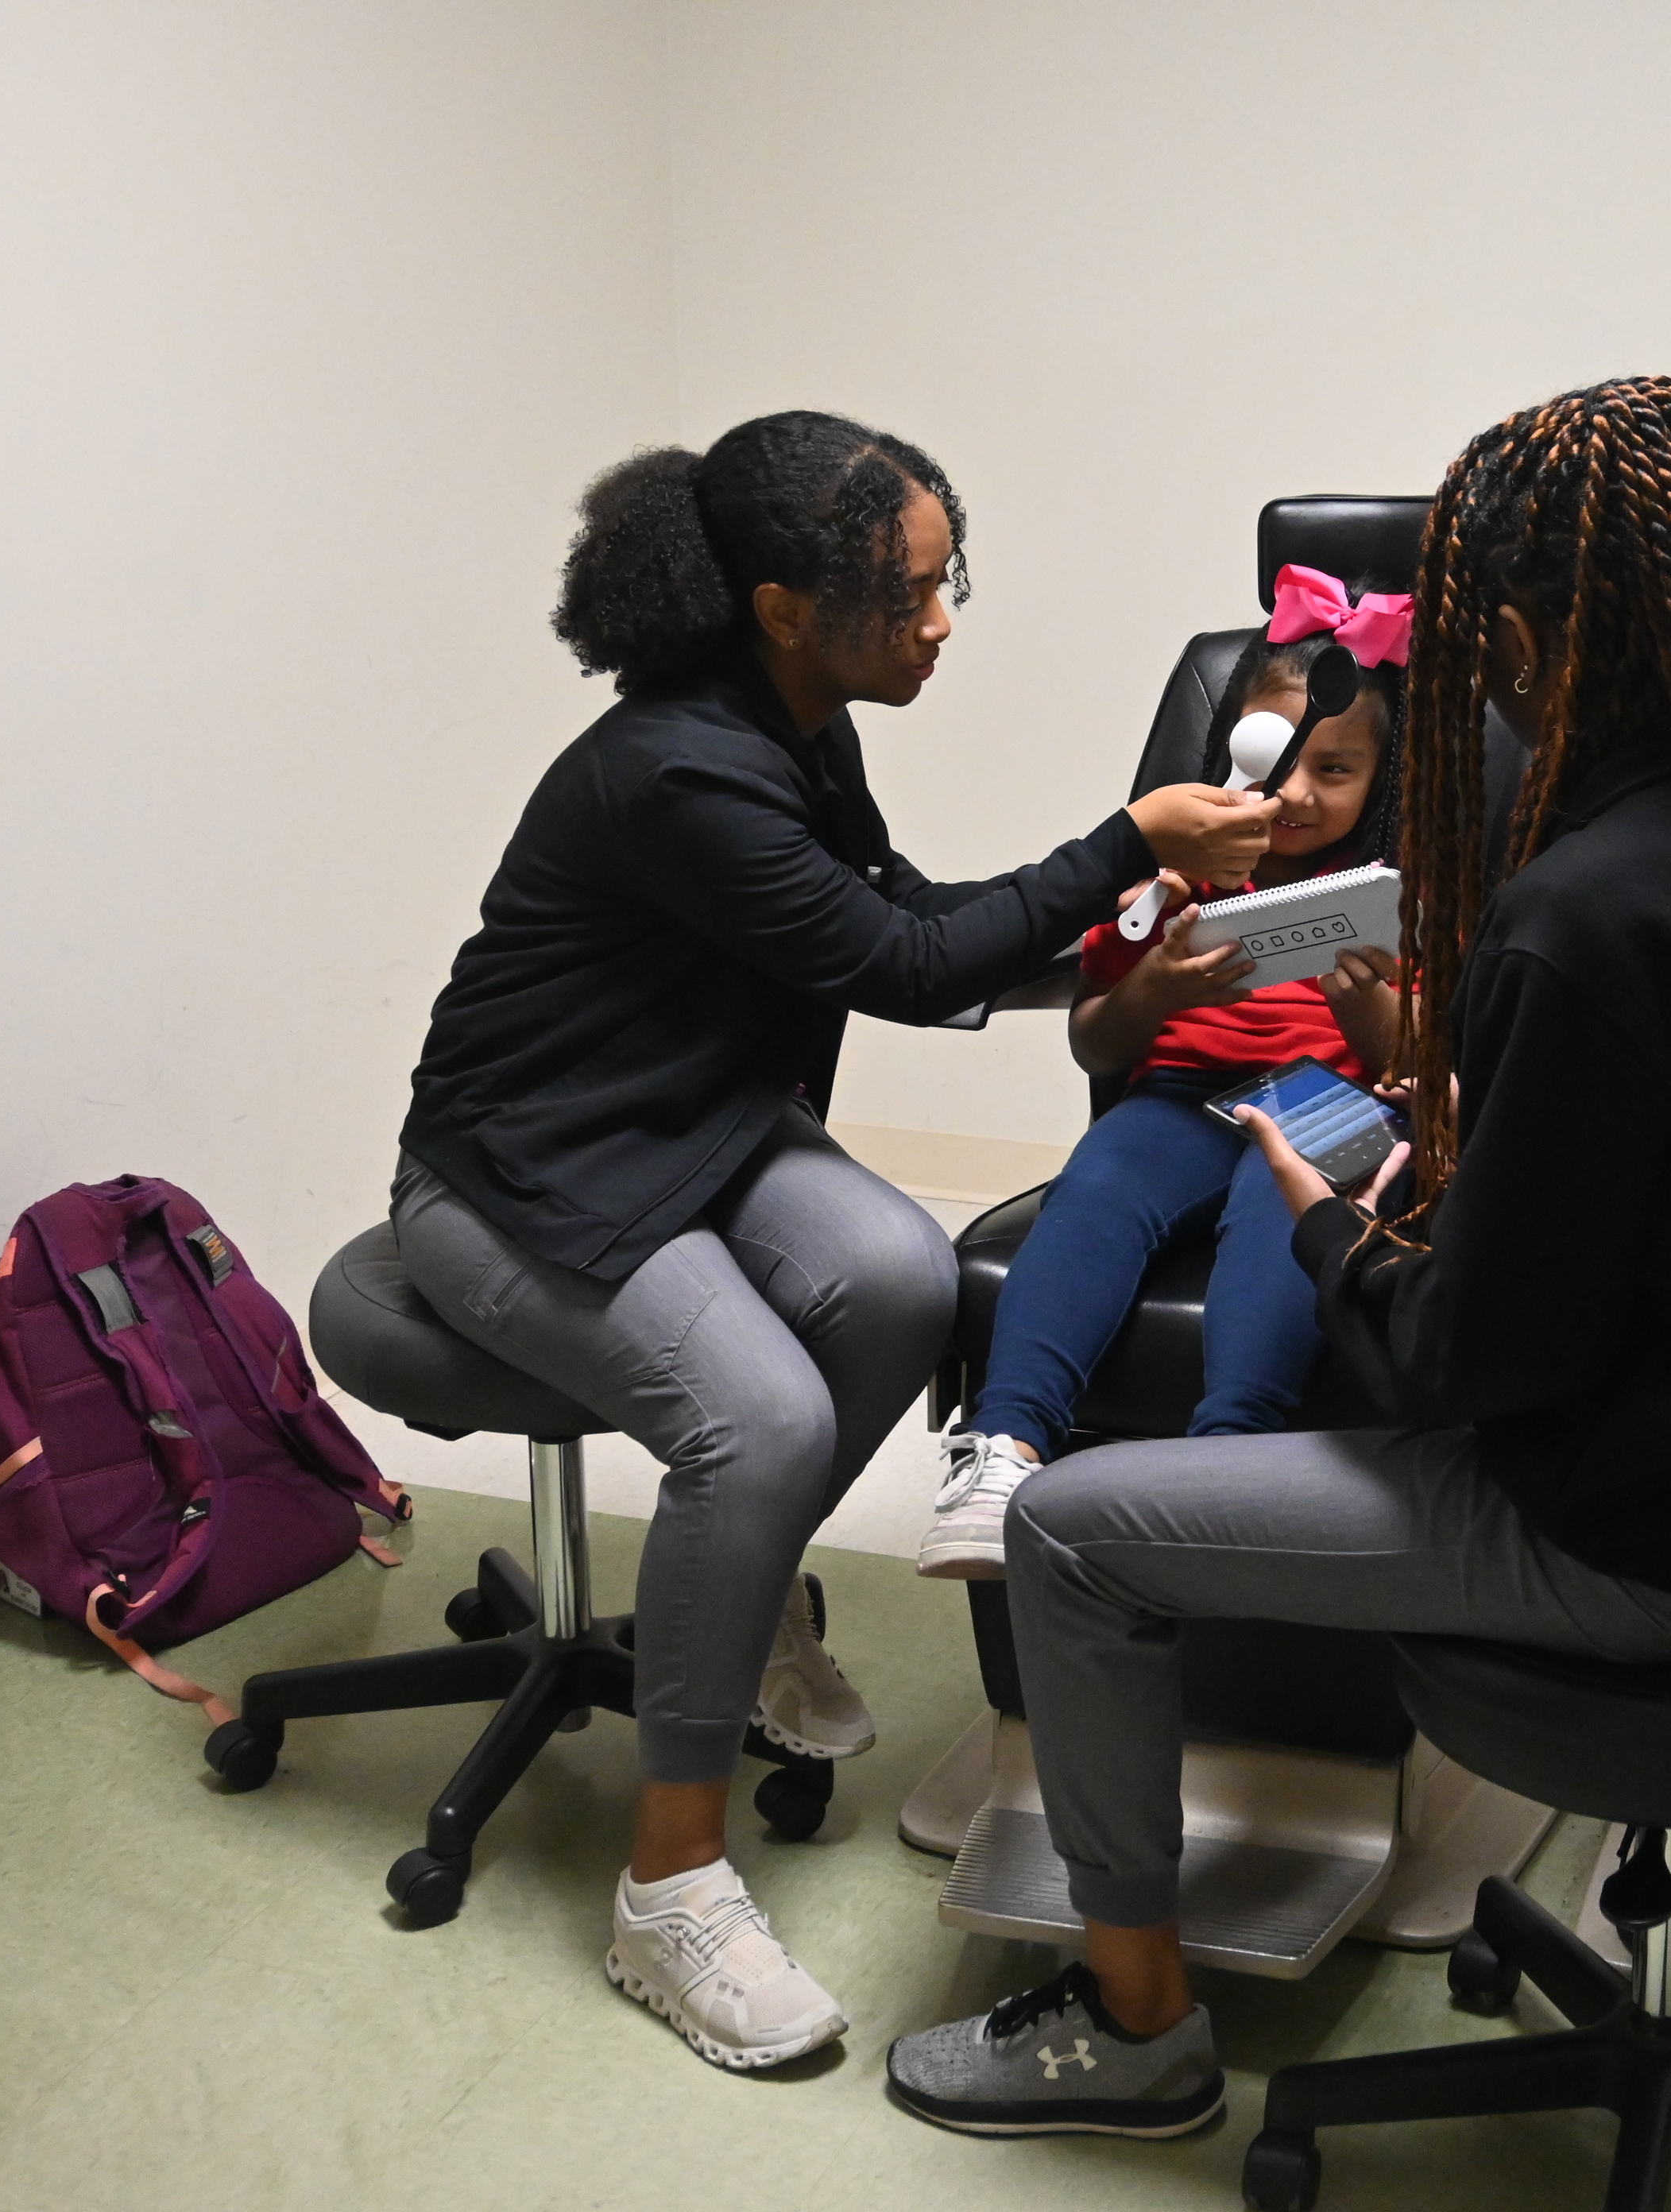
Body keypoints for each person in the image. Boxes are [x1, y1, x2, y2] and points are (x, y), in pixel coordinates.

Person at [883, 376, 1671, 2140]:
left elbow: (1479, 1364)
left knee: (1067, 1532)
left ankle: (1139, 2026)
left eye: (1477, 658)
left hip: (1665, 1546)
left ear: (1525, 648)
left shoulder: (1575, 916)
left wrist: (1337, 1230)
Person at [390, 411, 1274, 2075]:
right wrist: (1128, 843)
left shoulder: (794, 722)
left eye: (949, 582)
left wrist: (1134, 943)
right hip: (520, 1175)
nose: (940, 623)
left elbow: (907, 920)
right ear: (786, 608)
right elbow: (905, 964)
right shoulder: (677, 771)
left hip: (699, 1126)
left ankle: (737, 1609)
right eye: (907, 594)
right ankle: (667, 1888)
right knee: (764, 1421)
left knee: (906, 1277)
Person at [915, 567, 1410, 1578]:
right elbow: (1097, 1044)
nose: (1298, 794)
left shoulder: (1403, 894)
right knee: (1099, 1187)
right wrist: (1157, 989)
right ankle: (1004, 1448)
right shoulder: (1172, 877)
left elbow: (1415, 1064)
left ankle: (1226, 1469)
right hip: (1180, 1093)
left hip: (1328, 1097)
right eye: (1281, 760)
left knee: (1287, 1216)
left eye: (1337, 769)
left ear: (1383, 779)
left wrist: (1364, 1001)